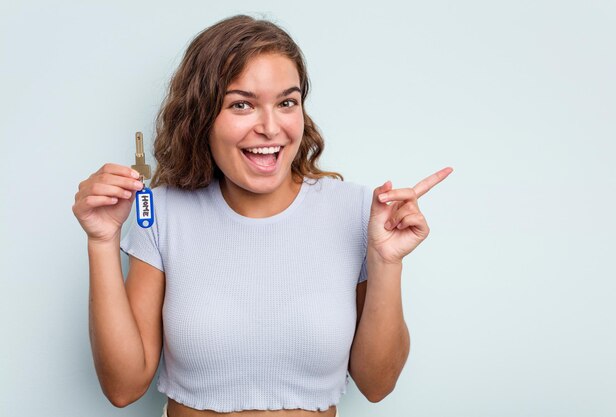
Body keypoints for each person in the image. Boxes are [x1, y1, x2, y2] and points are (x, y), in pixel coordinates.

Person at [72, 14, 452, 417]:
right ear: (202, 117)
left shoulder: (358, 212)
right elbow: (123, 388)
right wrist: (101, 240)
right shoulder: (164, 214)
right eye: (242, 105)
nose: (270, 128)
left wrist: (386, 263)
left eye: (286, 102)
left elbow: (377, 385)